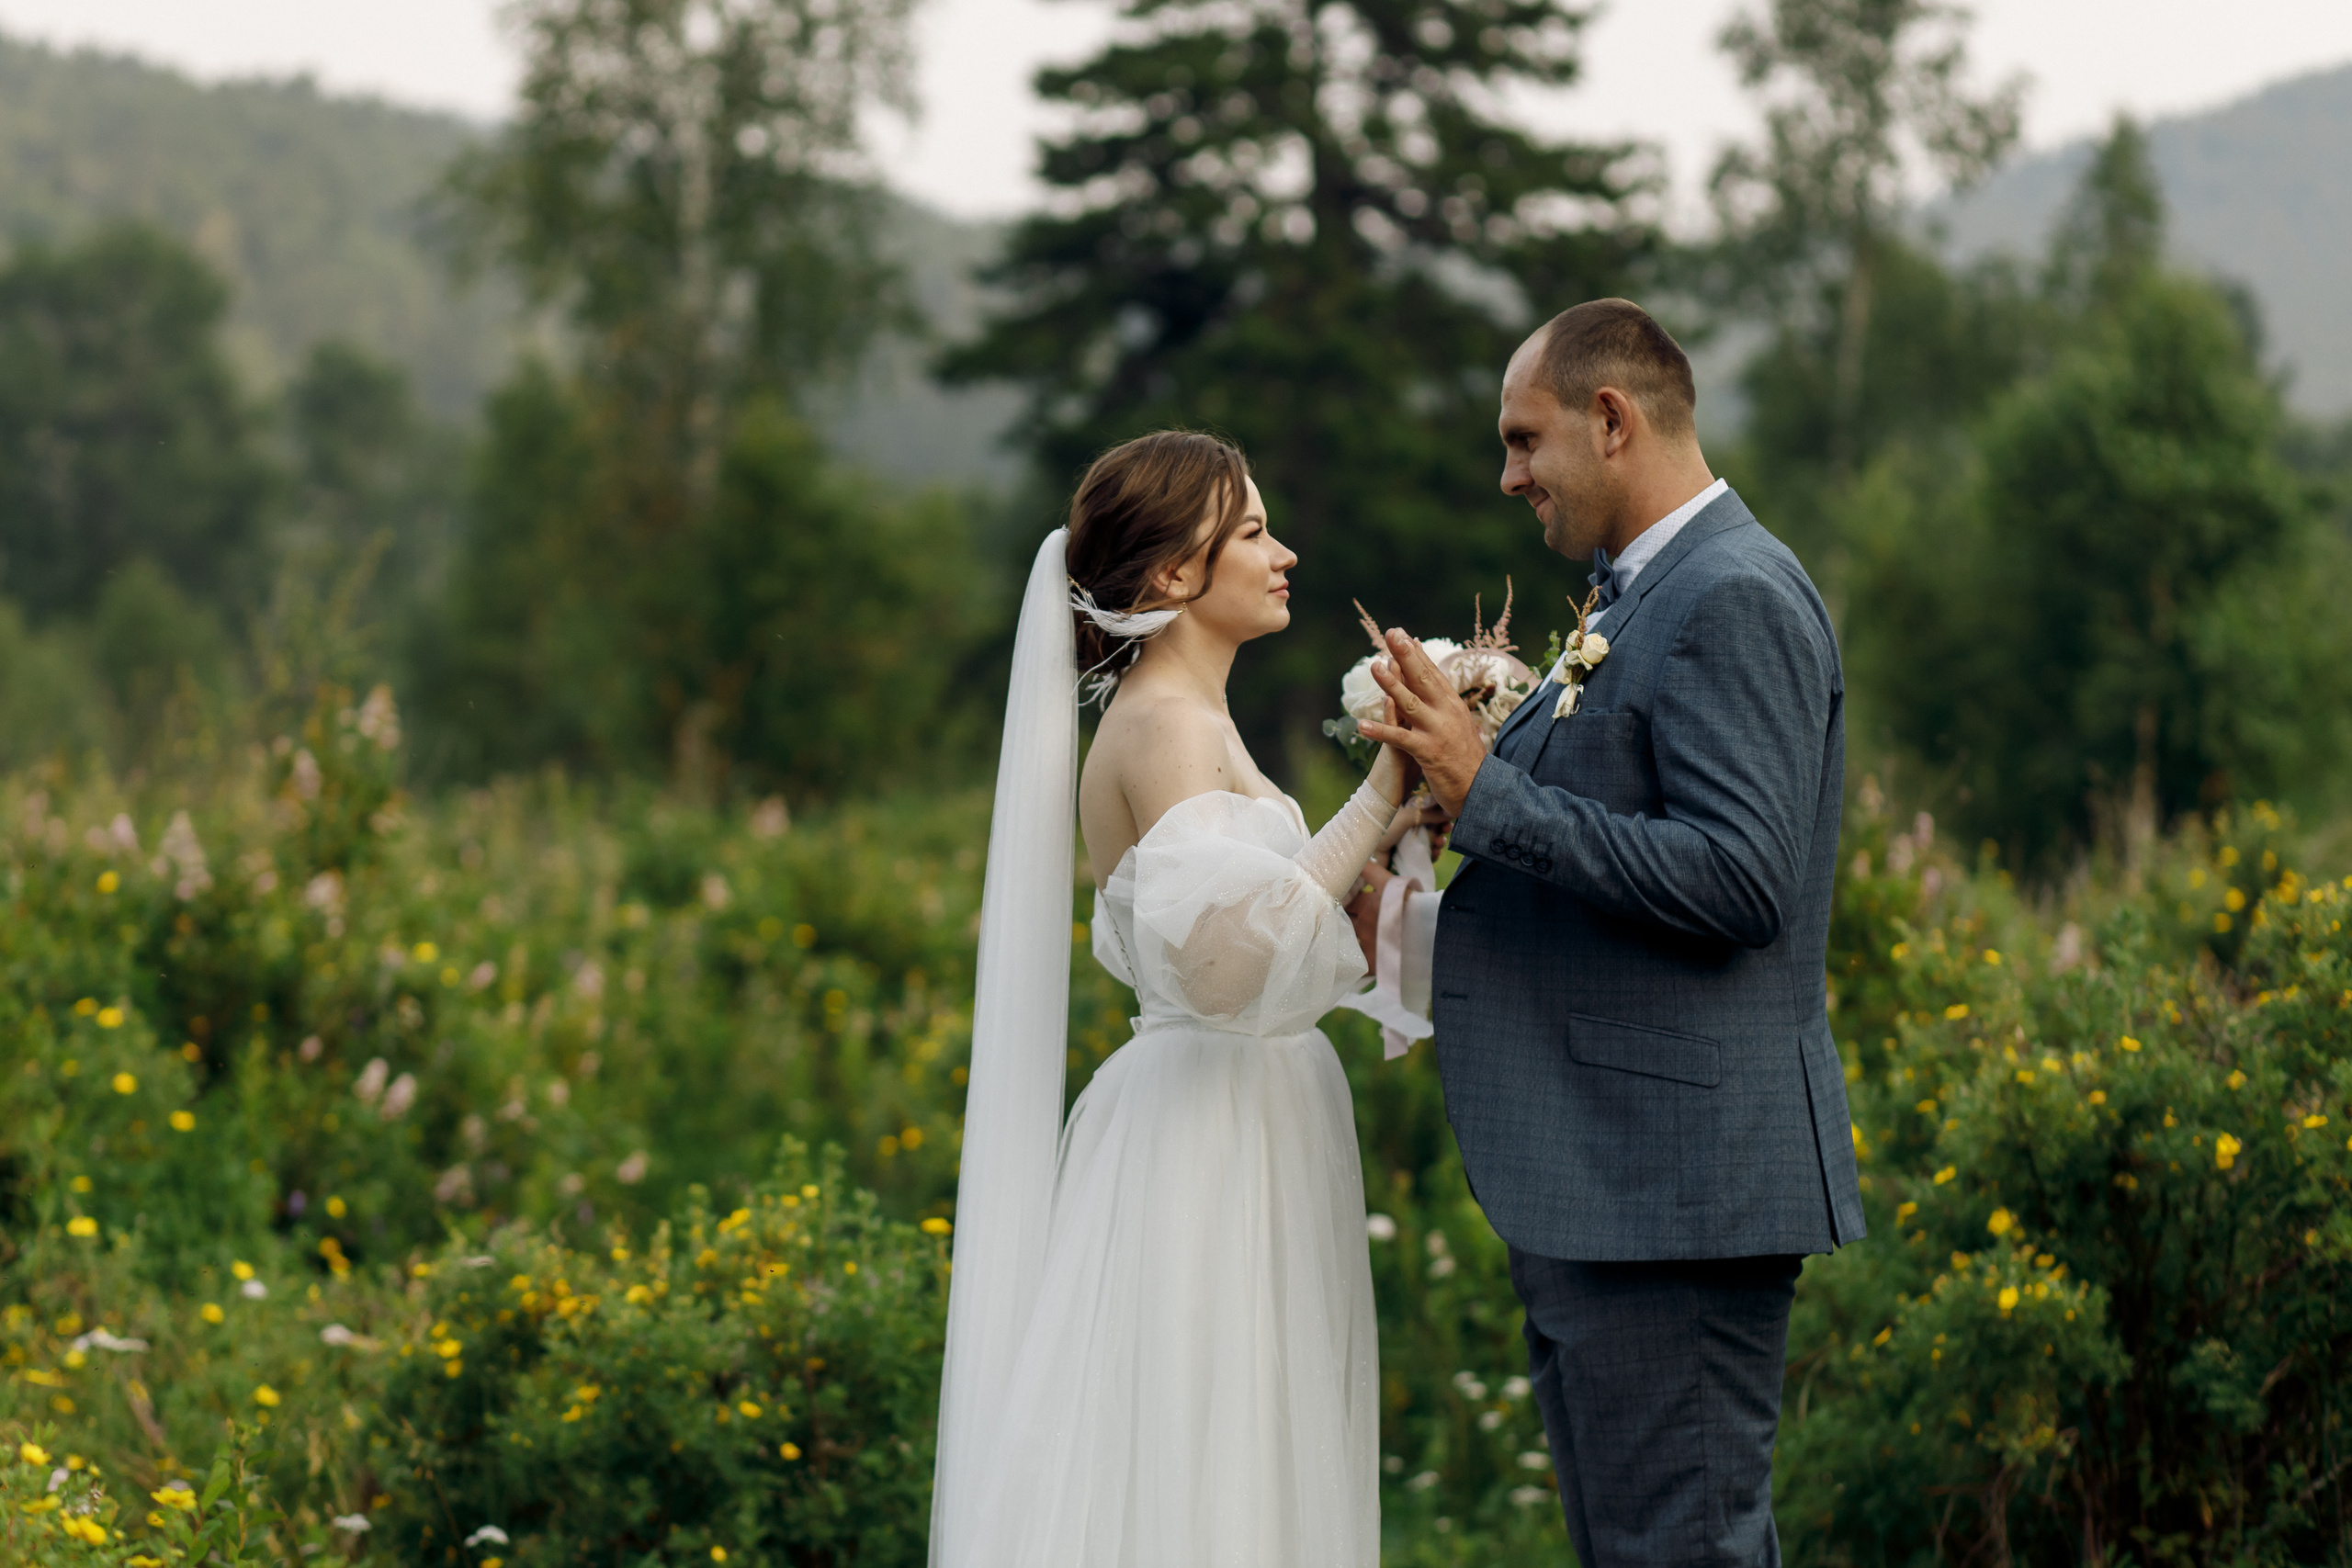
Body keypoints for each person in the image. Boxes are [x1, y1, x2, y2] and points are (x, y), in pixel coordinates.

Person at [1352, 298, 1866, 1567]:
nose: (1509, 475)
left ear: (1612, 419)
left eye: (1525, 441)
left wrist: (1493, 792)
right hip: (1612, 1188)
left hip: (1674, 1197)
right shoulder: (1637, 593)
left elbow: (1744, 878)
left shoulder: (1732, 593)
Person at [929, 430, 1425, 1568]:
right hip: (1201, 1130)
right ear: (1169, 575)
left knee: (1248, 1440)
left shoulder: (1199, 720)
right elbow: (1229, 965)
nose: (1282, 553)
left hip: (1258, 1108)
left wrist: (1400, 849)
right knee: (1196, 1449)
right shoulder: (1159, 726)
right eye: (1251, 532)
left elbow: (1293, 939)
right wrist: (1380, 790)